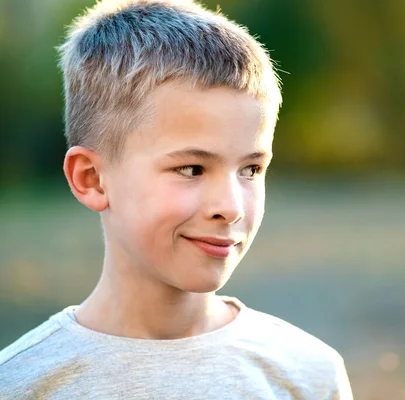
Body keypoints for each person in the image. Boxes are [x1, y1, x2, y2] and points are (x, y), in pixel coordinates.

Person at [0, 1, 353, 398]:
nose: (232, 206)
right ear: (93, 179)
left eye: (251, 170)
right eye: (192, 169)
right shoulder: (22, 384)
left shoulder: (307, 375)